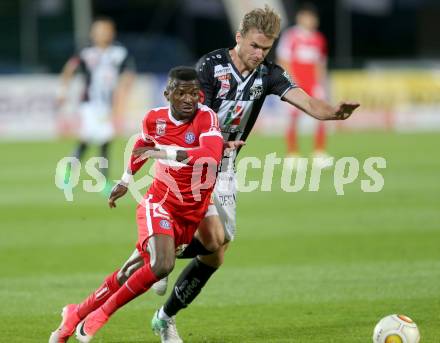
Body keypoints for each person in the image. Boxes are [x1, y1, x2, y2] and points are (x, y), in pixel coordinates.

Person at [147, 5, 359, 343]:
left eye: (266, 47)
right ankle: (157, 252)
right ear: (239, 37)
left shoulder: (269, 74)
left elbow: (306, 102)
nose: (260, 53)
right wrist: (212, 146)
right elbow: (191, 119)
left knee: (216, 253)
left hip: (227, 166)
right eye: (255, 46)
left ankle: (164, 312)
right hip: (194, 162)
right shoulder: (211, 67)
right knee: (213, 238)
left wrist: (332, 113)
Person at [48, 66, 224, 343]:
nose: (189, 99)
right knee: (162, 265)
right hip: (161, 202)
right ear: (168, 94)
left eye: (194, 93)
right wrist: (126, 179)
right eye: (181, 93)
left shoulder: (206, 117)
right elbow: (143, 144)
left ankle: (74, 313)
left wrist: (163, 152)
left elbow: (211, 156)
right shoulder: (154, 118)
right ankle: (99, 316)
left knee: (138, 269)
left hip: (195, 206)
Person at [58, 16, 135, 193]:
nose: (103, 34)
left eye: (106, 30)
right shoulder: (86, 51)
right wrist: (62, 91)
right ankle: (93, 177)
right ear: (93, 33)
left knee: (99, 139)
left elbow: (128, 75)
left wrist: (121, 98)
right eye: (99, 30)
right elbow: (69, 68)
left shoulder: (119, 52)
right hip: (89, 103)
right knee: (99, 137)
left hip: (107, 104)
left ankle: (75, 168)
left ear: (112, 32)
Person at [276, 3, 329, 161]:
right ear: (300, 18)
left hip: (313, 84)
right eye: (307, 17)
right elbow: (283, 60)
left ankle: (319, 152)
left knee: (321, 114)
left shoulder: (319, 39)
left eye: (312, 17)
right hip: (295, 83)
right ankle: (292, 154)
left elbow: (320, 64)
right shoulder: (291, 36)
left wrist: (320, 83)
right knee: (293, 116)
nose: (310, 20)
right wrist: (290, 81)